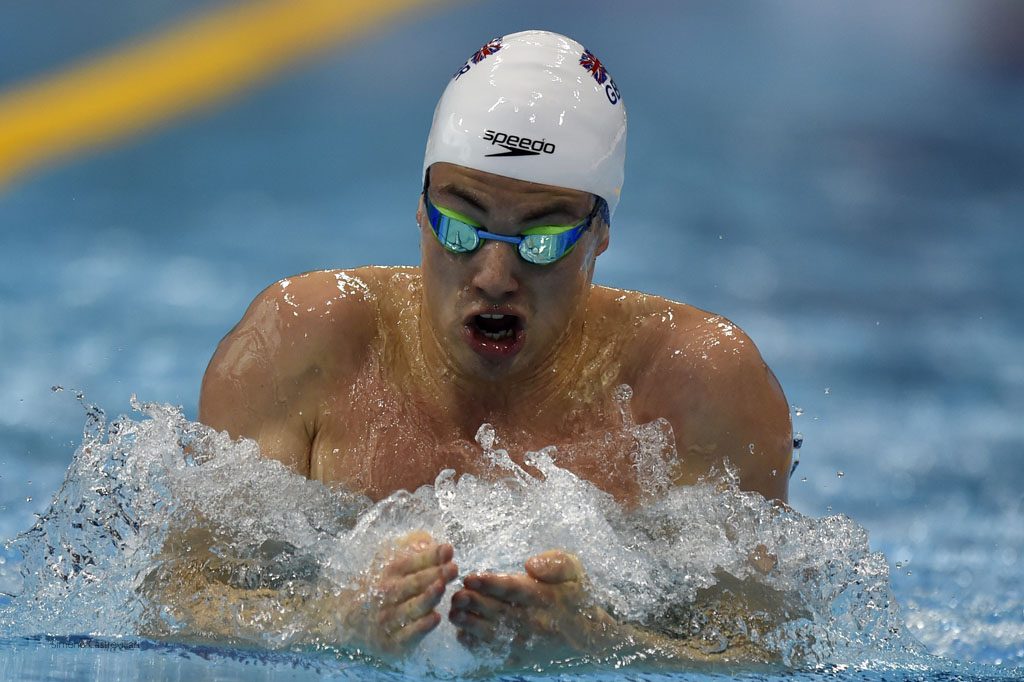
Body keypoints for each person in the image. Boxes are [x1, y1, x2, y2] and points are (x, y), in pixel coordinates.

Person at [196, 30, 792, 663]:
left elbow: (765, 654)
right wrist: (326, 621)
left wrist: (601, 643)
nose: (492, 277)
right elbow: (178, 597)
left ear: (601, 235)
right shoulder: (299, 340)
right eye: (460, 226)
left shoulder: (701, 385)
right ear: (421, 211)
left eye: (541, 239)